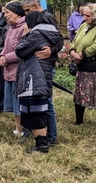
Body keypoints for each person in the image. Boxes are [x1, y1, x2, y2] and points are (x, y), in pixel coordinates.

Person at [15, 11, 61, 153]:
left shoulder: (37, 34)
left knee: (36, 112)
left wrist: (25, 34)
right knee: (38, 111)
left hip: (34, 78)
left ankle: (42, 146)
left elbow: (20, 50)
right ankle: (42, 143)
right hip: (39, 76)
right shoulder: (49, 32)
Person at [21, 0, 64, 146]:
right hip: (32, 67)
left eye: (27, 10)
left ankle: (51, 137)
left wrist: (51, 51)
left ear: (35, 6)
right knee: (31, 102)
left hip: (44, 66)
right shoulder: (32, 19)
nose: (25, 14)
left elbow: (59, 40)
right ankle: (31, 131)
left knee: (46, 102)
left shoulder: (47, 17)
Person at [69, 3, 96, 126]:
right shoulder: (84, 25)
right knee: (80, 94)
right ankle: (78, 121)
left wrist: (82, 54)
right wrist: (73, 52)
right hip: (82, 66)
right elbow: (75, 40)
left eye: (88, 15)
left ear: (95, 15)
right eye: (84, 15)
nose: (85, 18)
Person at [0, 1, 26, 135]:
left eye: (7, 12)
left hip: (18, 70)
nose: (5, 15)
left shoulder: (24, 27)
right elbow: (5, 46)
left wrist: (6, 58)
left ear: (16, 13)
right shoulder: (10, 27)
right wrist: (1, 56)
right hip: (8, 70)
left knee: (19, 103)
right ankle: (17, 128)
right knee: (14, 103)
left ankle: (23, 129)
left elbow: (23, 50)